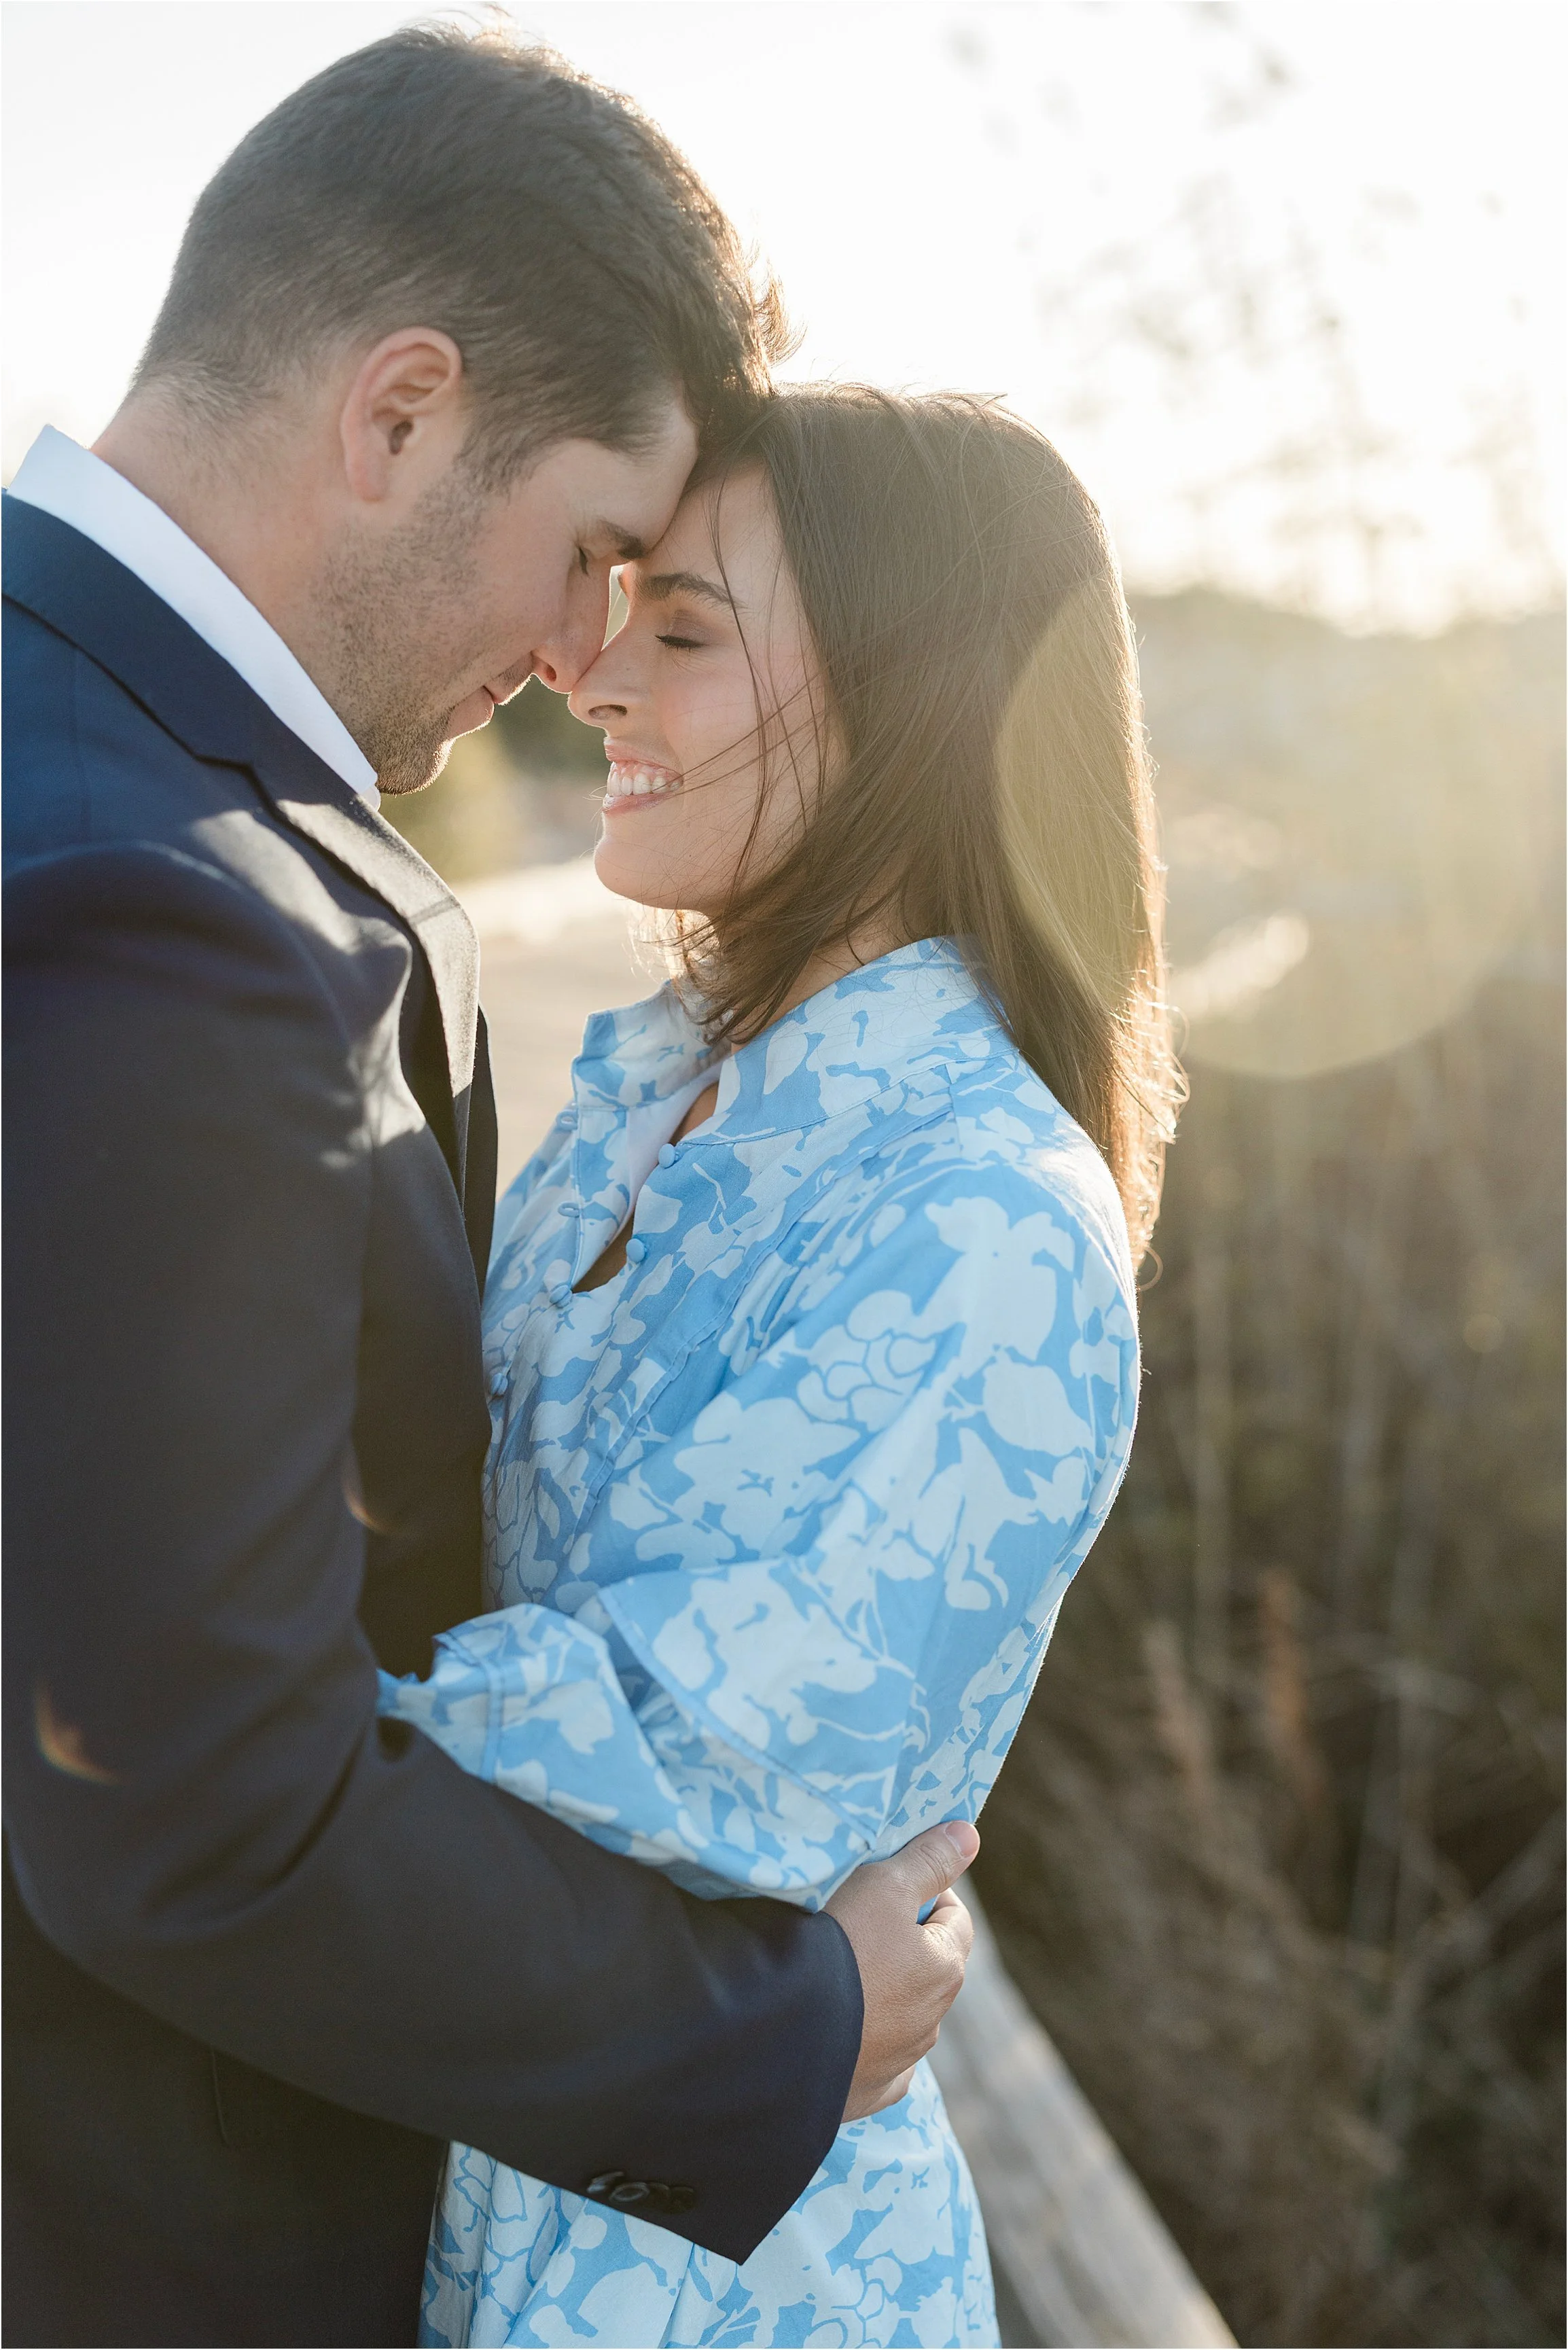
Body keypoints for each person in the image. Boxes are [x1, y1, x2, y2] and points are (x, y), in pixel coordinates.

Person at [2, 35, 977, 2350]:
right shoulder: (178, 910)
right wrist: (772, 2035)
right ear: (401, 412)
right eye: (593, 554)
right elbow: (194, 1812)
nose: (572, 661)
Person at [378, 385, 1176, 2347]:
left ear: (913, 696)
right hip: (473, 2163)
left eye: (684, 630)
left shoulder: (983, 1217)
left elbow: (705, 1773)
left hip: (729, 2277)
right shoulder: (654, 1099)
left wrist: (185, 1682)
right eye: (619, 616)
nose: (596, 684)